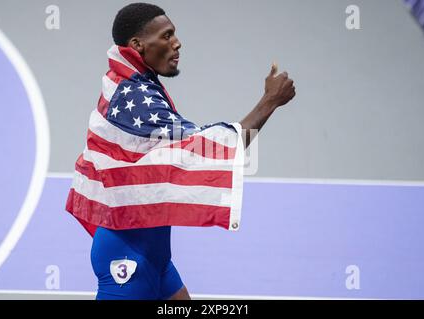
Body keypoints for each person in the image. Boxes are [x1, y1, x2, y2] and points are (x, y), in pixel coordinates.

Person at [66, 2, 295, 300]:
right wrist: (269, 102)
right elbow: (208, 148)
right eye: (167, 35)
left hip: (157, 257)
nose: (177, 43)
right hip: (127, 260)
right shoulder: (133, 96)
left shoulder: (138, 81)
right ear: (137, 45)